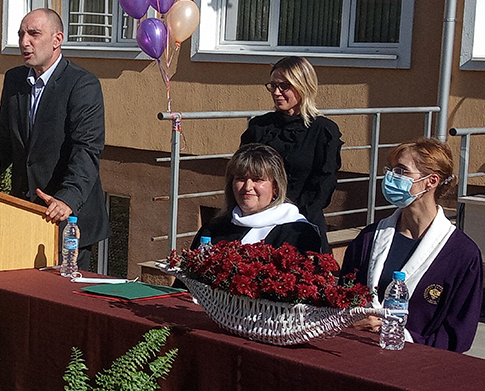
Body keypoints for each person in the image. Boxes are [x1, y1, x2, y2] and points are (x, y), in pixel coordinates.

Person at [0, 8, 110, 267]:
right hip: (24, 212)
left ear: (57, 39)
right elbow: (4, 142)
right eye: (21, 34)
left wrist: (68, 198)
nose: (24, 42)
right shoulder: (14, 80)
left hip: (66, 218)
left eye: (34, 34)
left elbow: (87, 149)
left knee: (61, 290)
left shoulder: (82, 84)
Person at [341, 138, 483, 352]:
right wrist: (351, 322)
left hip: (419, 363)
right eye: (391, 170)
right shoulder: (369, 238)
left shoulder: (462, 254)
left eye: (401, 171)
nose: (391, 177)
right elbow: (341, 298)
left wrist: (401, 336)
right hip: (354, 352)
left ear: (431, 181)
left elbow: (457, 334)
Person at [240, 56, 342, 253]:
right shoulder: (259, 127)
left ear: (303, 86)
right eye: (273, 86)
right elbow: (243, 172)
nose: (276, 92)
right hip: (259, 218)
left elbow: (323, 184)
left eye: (284, 86)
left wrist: (290, 216)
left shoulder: (323, 130)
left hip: (301, 221)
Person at [191, 143, 322, 253]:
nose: (248, 187)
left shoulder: (297, 233)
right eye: (240, 178)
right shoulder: (214, 228)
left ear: (275, 186)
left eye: (258, 179)